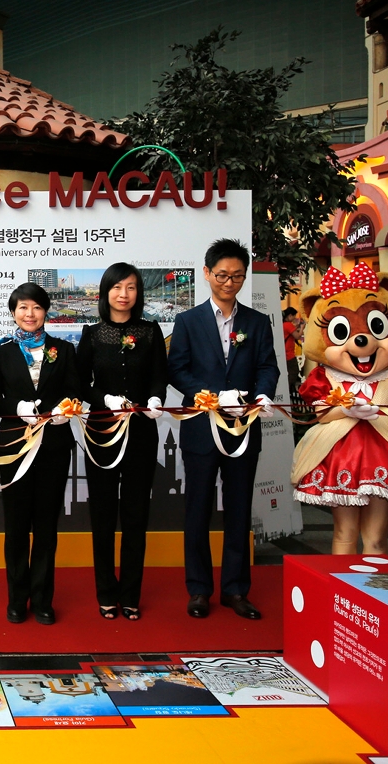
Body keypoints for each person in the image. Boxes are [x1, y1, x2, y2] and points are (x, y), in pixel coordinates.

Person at [168, 239, 279, 621]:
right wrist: (211, 396)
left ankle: (236, 590)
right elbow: (177, 369)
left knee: (238, 511)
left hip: (243, 427)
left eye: (236, 276)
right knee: (197, 510)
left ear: (244, 277)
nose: (228, 283)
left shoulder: (257, 321)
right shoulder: (187, 321)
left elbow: (268, 366)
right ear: (207, 274)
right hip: (201, 429)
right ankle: (199, 589)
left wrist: (262, 396)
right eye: (221, 275)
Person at [0, 282, 79, 625]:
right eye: (23, 307)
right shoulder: (3, 350)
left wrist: (65, 411)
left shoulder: (63, 350)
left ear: (45, 311)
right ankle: (16, 598)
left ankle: (42, 599)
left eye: (36, 307)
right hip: (14, 448)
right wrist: (16, 407)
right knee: (17, 526)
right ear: (13, 312)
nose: (30, 314)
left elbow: (75, 393)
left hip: (53, 447)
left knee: (47, 526)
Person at [76, 264, 168, 622]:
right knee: (102, 515)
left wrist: (156, 399)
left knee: (135, 515)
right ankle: (106, 593)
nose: (123, 294)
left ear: (138, 294)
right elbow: (81, 383)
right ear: (105, 293)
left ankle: (131, 594)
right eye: (116, 287)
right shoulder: (92, 333)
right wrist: (105, 399)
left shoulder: (150, 331)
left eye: (130, 287)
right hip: (102, 434)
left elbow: (160, 376)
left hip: (142, 432)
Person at [282, 306, 302, 398]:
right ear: (290, 316)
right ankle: (288, 390)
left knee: (288, 372)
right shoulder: (288, 325)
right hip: (289, 354)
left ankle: (288, 389)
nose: (294, 318)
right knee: (294, 371)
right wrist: (302, 327)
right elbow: (297, 336)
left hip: (284, 353)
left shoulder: (283, 324)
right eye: (294, 316)